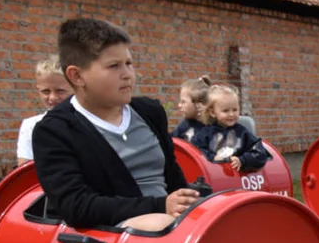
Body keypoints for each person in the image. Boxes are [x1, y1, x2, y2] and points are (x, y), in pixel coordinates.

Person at [32, 18, 197, 231]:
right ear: (77, 75)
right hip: (109, 233)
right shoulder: (54, 131)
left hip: (170, 222)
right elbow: (75, 206)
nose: (127, 74)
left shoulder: (150, 112)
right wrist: (160, 206)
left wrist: (191, 203)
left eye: (128, 63)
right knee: (162, 226)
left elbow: (173, 178)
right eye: (114, 66)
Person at [192, 84, 271, 173]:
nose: (231, 114)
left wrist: (242, 160)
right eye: (225, 111)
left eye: (234, 110)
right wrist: (212, 157)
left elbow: (260, 153)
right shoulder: (204, 134)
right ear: (213, 112)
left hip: (238, 179)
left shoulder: (242, 133)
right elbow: (196, 153)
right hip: (214, 178)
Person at [15, 57, 73, 166]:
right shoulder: (30, 126)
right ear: (38, 89)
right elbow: (25, 171)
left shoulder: (88, 121)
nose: (52, 97)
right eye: (46, 91)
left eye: (60, 91)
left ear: (75, 87)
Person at [172, 75, 211, 143]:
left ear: (198, 104)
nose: (179, 105)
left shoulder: (210, 130)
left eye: (183, 102)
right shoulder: (185, 125)